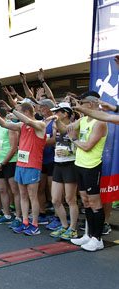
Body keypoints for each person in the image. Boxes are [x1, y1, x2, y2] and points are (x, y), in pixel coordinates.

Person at [57, 91, 107, 251]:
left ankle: (98, 239)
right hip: (80, 164)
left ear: (91, 103)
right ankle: (89, 235)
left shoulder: (100, 122)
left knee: (94, 202)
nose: (79, 105)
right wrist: (56, 119)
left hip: (92, 166)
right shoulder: (83, 119)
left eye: (82, 102)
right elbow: (65, 129)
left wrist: (74, 139)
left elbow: (87, 146)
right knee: (85, 201)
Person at [0, 101, 47, 236]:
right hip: (21, 164)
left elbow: (29, 121)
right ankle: (25, 222)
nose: (15, 114)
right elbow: (4, 124)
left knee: (32, 196)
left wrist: (11, 109)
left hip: (32, 165)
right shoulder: (21, 125)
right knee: (23, 195)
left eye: (18, 111)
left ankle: (35, 225)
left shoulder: (40, 124)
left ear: (26, 112)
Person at [45, 103, 79, 240]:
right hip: (58, 164)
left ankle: (73, 229)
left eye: (58, 112)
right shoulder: (56, 126)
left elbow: (67, 133)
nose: (55, 114)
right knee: (55, 199)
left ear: (65, 113)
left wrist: (69, 151)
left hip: (70, 164)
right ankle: (64, 225)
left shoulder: (74, 126)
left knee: (70, 199)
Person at [0, 105, 21, 226]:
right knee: (2, 189)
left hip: (10, 162)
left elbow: (13, 148)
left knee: (15, 190)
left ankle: (18, 217)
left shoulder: (10, 126)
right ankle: (7, 214)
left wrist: (3, 163)